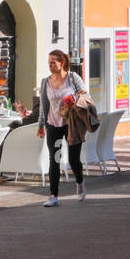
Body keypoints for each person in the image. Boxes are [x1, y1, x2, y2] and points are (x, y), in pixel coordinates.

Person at [37, 50, 88, 206]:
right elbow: (43, 105)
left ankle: (79, 182)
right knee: (55, 159)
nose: (50, 66)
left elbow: (86, 96)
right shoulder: (46, 81)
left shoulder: (73, 78)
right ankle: (53, 196)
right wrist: (41, 124)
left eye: (53, 62)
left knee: (73, 160)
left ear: (62, 63)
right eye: (49, 63)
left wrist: (73, 99)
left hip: (71, 124)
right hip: (53, 124)